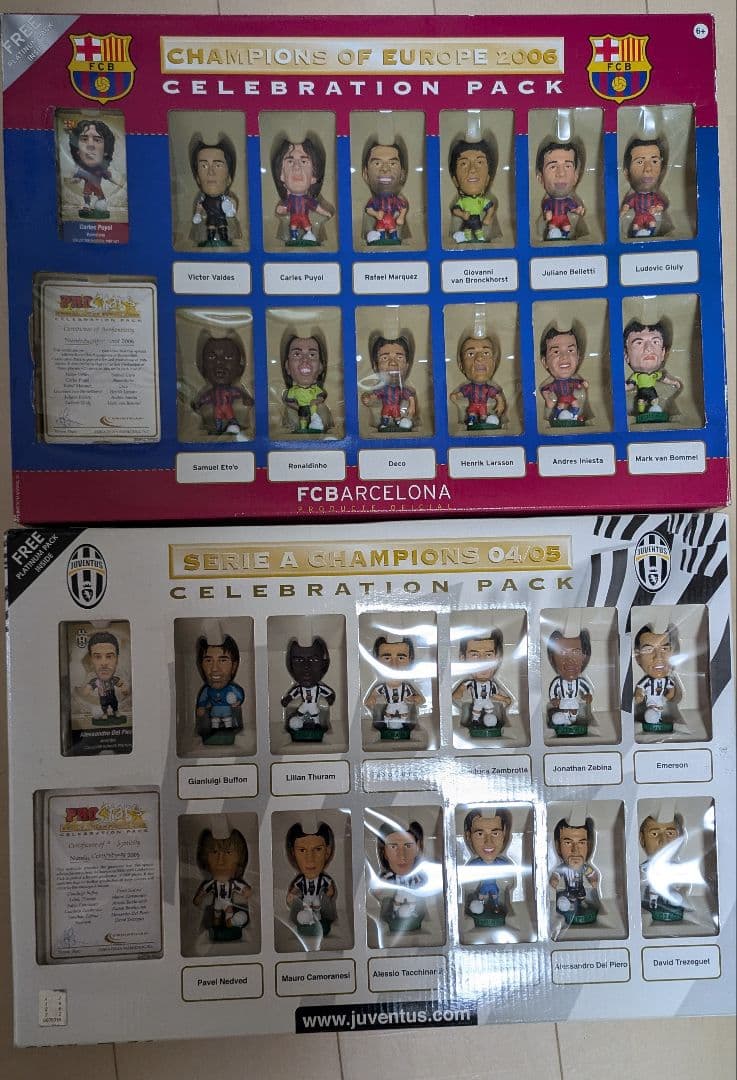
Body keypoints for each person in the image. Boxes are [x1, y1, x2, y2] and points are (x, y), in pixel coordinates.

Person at [271, 137, 333, 244]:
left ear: (314, 176)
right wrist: (281, 209)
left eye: (304, 161)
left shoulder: (307, 200)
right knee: (293, 226)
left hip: (304, 218)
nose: (296, 167)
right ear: (281, 175)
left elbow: (317, 208)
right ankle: (294, 238)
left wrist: (326, 213)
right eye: (290, 161)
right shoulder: (290, 200)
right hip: (294, 218)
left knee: (307, 226)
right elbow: (285, 207)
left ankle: (309, 235)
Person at [193, 828, 251, 941]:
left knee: (228, 915)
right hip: (218, 903)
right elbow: (204, 890)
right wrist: (199, 897)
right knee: (216, 916)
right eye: (215, 852)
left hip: (227, 903)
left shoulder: (232, 883)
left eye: (228, 852)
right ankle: (216, 928)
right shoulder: (212, 883)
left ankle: (227, 927)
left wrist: (246, 891)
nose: (221, 861)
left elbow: (242, 888)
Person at [364, 635, 425, 738]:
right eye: (387, 658)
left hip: (402, 704)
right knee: (389, 713)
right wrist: (372, 697)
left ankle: (401, 724)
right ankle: (389, 724)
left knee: (403, 713)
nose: (394, 665)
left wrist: (415, 698)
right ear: (377, 661)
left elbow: (410, 697)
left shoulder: (405, 686)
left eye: (401, 658)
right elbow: (374, 693)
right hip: (391, 704)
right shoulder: (383, 686)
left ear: (410, 660)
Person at [452, 630, 511, 734]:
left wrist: (504, 699)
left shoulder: (492, 685)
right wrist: (457, 694)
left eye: (488, 655)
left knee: (490, 710)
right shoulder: (471, 684)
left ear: (497, 658)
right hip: (477, 701)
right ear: (463, 659)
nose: (482, 662)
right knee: (476, 712)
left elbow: (494, 695)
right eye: (475, 655)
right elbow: (459, 692)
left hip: (487, 701)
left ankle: (490, 721)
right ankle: (475, 721)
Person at [192, 335, 253, 437]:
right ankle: (219, 430)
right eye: (212, 357)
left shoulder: (231, 390)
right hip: (217, 410)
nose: (219, 362)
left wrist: (246, 398)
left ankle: (233, 426)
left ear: (240, 368)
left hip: (227, 408)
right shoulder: (212, 393)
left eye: (228, 357)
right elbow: (205, 398)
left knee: (230, 416)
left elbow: (239, 394)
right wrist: (198, 403)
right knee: (218, 418)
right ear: (203, 369)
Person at [463, 808, 514, 926]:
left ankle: (495, 906)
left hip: (494, 886)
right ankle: (480, 907)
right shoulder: (475, 864)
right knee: (481, 897)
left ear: (504, 834)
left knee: (495, 896)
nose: (488, 842)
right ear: (468, 836)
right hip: (484, 886)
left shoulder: (501, 863)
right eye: (480, 834)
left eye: (495, 833)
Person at [624, 319, 681, 422]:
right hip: (641, 392)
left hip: (652, 392)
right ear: (626, 355)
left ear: (663, 353)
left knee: (655, 401)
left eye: (655, 342)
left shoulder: (656, 375)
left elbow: (664, 379)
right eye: (639, 343)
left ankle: (655, 411)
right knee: (641, 402)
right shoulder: (636, 376)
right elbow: (630, 385)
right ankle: (642, 414)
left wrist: (674, 382)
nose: (648, 348)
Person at [375, 820, 428, 931]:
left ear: (417, 848)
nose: (402, 855)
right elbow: (376, 892)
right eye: (393, 847)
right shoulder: (388, 877)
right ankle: (396, 913)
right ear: (384, 852)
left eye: (408, 846)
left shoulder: (418, 876)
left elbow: (425, 885)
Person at [285, 821, 337, 936]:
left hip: (318, 902)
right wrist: (292, 895)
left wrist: (328, 895)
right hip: (306, 902)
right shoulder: (301, 881)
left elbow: (330, 890)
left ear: (327, 852)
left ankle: (317, 920)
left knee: (317, 907)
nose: (310, 859)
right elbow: (295, 890)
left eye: (318, 849)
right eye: (302, 850)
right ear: (293, 853)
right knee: (305, 911)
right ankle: (308, 922)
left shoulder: (323, 879)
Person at [189, 135, 241, 246]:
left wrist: (230, 208)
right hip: (209, 221)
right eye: (204, 166)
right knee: (210, 228)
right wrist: (198, 215)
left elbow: (233, 209)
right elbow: (199, 208)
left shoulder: (226, 199)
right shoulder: (201, 200)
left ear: (229, 177)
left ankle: (224, 237)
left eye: (217, 165)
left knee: (223, 227)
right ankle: (210, 238)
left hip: (223, 220)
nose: (210, 172)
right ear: (197, 177)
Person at [194, 634, 245, 745]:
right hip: (214, 715)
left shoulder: (231, 689)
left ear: (234, 666)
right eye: (208, 661)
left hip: (228, 715)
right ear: (201, 665)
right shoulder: (207, 691)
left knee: (228, 723)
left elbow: (239, 695)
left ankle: (227, 731)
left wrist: (238, 701)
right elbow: (203, 699)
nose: (215, 669)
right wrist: (201, 707)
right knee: (214, 723)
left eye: (222, 660)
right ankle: (214, 732)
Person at [281, 637, 335, 739]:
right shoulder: (300, 689)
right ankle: (297, 725)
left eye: (314, 660)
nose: (306, 666)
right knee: (300, 714)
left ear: (324, 663)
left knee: (315, 716)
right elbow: (294, 693)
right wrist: (287, 699)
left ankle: (317, 725)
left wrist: (330, 697)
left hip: (313, 705)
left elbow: (327, 692)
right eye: (298, 660)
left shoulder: (319, 688)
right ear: (290, 664)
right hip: (305, 705)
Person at [549, 816, 600, 925]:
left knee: (581, 895)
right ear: (558, 846)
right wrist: (554, 880)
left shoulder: (584, 867)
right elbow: (556, 875)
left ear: (589, 846)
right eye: (568, 843)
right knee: (571, 898)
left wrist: (594, 880)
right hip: (569, 889)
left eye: (581, 843)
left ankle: (581, 903)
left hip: (580, 888)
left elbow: (591, 874)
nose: (575, 850)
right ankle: (572, 905)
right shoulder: (563, 868)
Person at [361, 334, 417, 432]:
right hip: (386, 407)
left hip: (396, 408)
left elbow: (409, 396)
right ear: (375, 366)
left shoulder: (401, 389)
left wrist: (412, 405)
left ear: (407, 365)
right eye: (385, 358)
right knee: (385, 415)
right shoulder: (382, 389)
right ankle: (385, 424)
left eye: (399, 357)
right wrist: (368, 399)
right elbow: (375, 396)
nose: (393, 363)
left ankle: (398, 423)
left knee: (397, 416)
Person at [450, 335, 506, 430]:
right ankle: (472, 422)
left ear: (494, 364)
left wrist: (501, 403)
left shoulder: (489, 388)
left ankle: (482, 422)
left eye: (486, 353)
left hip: (483, 407)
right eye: (471, 354)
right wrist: (456, 396)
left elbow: (497, 396)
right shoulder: (469, 388)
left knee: (483, 416)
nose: (479, 358)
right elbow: (462, 393)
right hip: (473, 406)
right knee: (472, 414)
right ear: (461, 366)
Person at [535, 138, 586, 241]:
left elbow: (573, 208)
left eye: (567, 166)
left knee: (567, 227)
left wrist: (578, 210)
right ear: (541, 178)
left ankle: (564, 235)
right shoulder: (548, 202)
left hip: (565, 221)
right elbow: (546, 209)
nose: (561, 173)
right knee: (553, 229)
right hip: (553, 222)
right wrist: (547, 213)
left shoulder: (570, 202)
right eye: (553, 167)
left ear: (576, 177)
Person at [639, 812, 686, 922]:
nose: (664, 841)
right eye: (654, 834)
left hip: (669, 891)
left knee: (676, 899)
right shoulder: (646, 867)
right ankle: (654, 903)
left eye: (670, 833)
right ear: (642, 839)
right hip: (653, 891)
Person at [633, 623, 680, 733]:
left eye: (664, 648)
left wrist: (670, 695)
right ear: (637, 656)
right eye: (648, 650)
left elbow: (671, 689)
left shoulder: (667, 680)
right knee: (651, 715)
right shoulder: (647, 681)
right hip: (651, 704)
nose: (658, 657)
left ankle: (658, 720)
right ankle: (653, 721)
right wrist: (639, 694)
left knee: (659, 713)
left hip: (661, 703)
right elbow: (640, 689)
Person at [449, 137, 497, 243]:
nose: (472, 170)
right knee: (467, 230)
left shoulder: (482, 200)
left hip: (476, 219)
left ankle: (480, 238)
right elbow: (455, 210)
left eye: (479, 162)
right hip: (467, 220)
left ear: (487, 179)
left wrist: (488, 217)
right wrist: (462, 214)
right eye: (463, 164)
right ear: (455, 180)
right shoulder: (462, 201)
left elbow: (490, 207)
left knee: (478, 230)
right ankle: (468, 238)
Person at [68, 117, 118, 219]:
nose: (90, 145)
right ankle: (87, 205)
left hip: (98, 188)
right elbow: (76, 178)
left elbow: (109, 178)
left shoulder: (101, 169)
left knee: (101, 199)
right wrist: (73, 180)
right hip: (88, 187)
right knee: (86, 195)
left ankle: (99, 206)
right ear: (78, 151)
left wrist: (117, 183)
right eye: (84, 139)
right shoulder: (81, 170)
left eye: (97, 140)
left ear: (105, 151)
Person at [546, 629, 593, 735]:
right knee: (565, 711)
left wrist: (588, 695)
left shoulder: (579, 682)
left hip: (573, 699)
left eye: (576, 652)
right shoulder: (558, 682)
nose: (570, 660)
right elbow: (553, 690)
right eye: (562, 652)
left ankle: (573, 720)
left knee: (574, 710)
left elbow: (586, 689)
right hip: (564, 700)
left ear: (584, 657)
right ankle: (566, 721)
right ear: (553, 658)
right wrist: (554, 699)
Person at [539, 326, 588, 427]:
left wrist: (582, 384)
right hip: (562, 399)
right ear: (545, 362)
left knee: (576, 405)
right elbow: (545, 389)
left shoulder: (573, 381)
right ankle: (556, 417)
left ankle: (573, 416)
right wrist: (547, 398)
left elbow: (577, 384)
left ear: (578, 357)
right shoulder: (555, 384)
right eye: (556, 352)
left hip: (570, 397)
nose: (564, 357)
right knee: (560, 407)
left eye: (570, 350)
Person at [620, 136, 669, 238]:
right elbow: (628, 204)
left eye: (654, 161)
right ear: (627, 173)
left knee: (652, 223)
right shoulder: (634, 197)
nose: (648, 168)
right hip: (638, 217)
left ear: (662, 170)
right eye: (640, 162)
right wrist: (624, 209)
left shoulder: (655, 197)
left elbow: (661, 204)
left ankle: (648, 232)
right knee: (636, 225)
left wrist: (657, 208)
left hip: (650, 217)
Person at [361, 141, 409, 244]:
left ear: (402, 175)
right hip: (380, 222)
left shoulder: (395, 200)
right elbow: (368, 209)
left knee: (393, 232)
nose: (385, 169)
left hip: (391, 221)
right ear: (365, 174)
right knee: (380, 233)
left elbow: (403, 208)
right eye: (377, 163)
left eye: (392, 164)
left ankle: (394, 239)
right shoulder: (375, 200)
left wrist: (401, 217)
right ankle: (382, 240)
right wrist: (376, 213)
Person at [76, 630, 129, 722]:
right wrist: (86, 690)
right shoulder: (96, 681)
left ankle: (116, 711)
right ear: (91, 660)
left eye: (109, 656)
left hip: (112, 697)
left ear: (117, 660)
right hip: (103, 698)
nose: (104, 663)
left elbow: (121, 684)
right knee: (104, 705)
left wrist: (124, 688)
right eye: (97, 657)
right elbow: (87, 689)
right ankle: (105, 713)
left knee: (114, 704)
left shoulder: (114, 679)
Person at [281, 334, 330, 434]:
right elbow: (288, 401)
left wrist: (315, 403)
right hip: (299, 412)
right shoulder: (292, 391)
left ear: (320, 367)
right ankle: (301, 429)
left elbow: (321, 396)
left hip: (314, 411)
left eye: (312, 355)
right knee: (292, 414)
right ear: (287, 366)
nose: (305, 360)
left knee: (321, 409)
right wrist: (299, 408)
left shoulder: (315, 390)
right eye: (297, 354)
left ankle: (317, 427)